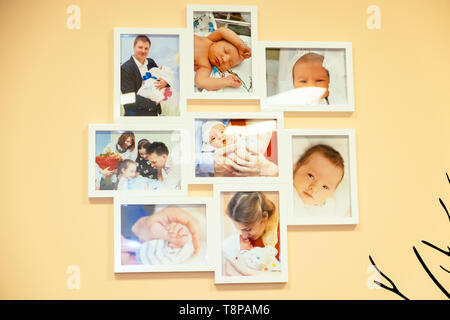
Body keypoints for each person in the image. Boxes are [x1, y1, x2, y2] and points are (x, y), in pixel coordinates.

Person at [222, 192, 280, 276]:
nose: (244, 236)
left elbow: (283, 277)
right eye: (240, 230)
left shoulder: (281, 234)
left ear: (264, 217)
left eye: (248, 229)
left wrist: (244, 270)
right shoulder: (244, 243)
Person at [196, 119, 279, 177]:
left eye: (222, 132)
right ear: (210, 146)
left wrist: (269, 168)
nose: (220, 136)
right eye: (213, 138)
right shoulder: (215, 155)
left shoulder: (242, 137)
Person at [121, 35, 169, 116]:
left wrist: (165, 83)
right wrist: (153, 104)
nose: (143, 51)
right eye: (140, 47)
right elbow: (129, 96)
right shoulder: (125, 69)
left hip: (154, 114)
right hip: (136, 116)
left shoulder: (151, 62)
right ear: (134, 47)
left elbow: (160, 78)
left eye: (146, 48)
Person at [293, 144, 345, 217]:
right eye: (311, 176)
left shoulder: (328, 212)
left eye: (325, 187)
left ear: (331, 193)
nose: (314, 187)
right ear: (297, 167)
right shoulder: (288, 190)